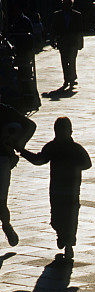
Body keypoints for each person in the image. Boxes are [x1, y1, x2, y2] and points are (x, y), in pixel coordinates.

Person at [18, 116, 91, 262]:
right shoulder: (55, 147)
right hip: (62, 189)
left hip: (67, 189)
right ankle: (64, 237)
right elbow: (39, 160)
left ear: (70, 131)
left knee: (68, 217)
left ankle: (68, 243)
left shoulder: (72, 148)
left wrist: (22, 150)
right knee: (61, 218)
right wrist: (22, 151)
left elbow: (87, 163)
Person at [0, 99, 36, 246]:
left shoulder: (4, 110)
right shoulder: (4, 109)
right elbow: (30, 125)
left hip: (2, 159)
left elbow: (30, 125)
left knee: (1, 200)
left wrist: (18, 146)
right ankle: (6, 224)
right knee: (1, 200)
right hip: (3, 159)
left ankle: (6, 225)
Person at [50, 0, 83, 90]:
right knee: (64, 61)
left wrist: (80, 43)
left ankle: (72, 78)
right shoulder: (57, 15)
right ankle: (67, 79)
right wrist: (52, 40)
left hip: (73, 42)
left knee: (72, 61)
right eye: (64, 4)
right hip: (63, 41)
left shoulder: (77, 15)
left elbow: (80, 31)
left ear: (71, 5)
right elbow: (53, 28)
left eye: (68, 4)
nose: (66, 6)